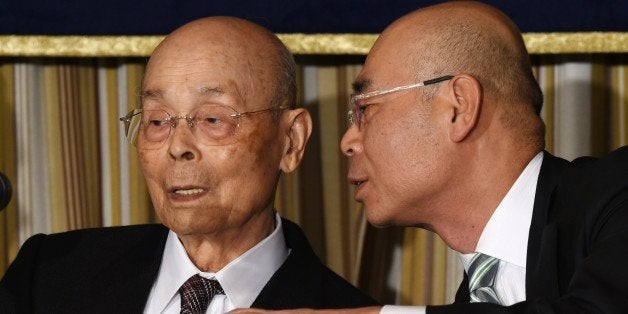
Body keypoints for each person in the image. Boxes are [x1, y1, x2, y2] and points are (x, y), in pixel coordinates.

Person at [234, 1, 628, 314]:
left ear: (458, 108)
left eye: (364, 109)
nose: (348, 141)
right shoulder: (473, 298)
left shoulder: (617, 194)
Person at [0, 17, 378, 313]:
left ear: (291, 141)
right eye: (156, 120)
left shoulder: (345, 309)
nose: (177, 147)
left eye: (213, 119)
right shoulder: (49, 275)